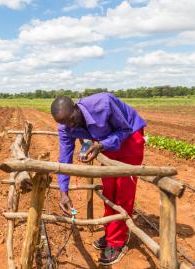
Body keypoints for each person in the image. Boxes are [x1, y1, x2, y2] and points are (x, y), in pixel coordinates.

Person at [50, 93, 147, 265]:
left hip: (130, 136)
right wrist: (63, 192)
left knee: (123, 191)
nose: (71, 125)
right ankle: (111, 234)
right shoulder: (65, 127)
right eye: (65, 123)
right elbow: (64, 159)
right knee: (109, 189)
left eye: (71, 119)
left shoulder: (103, 103)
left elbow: (125, 129)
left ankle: (117, 242)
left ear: (76, 107)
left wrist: (102, 145)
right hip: (106, 141)